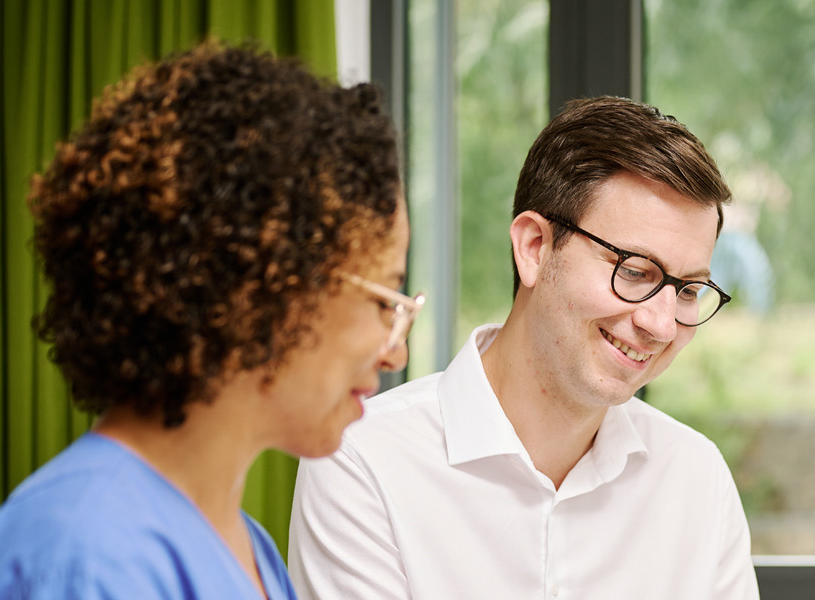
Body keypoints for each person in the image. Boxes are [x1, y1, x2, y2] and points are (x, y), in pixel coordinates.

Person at [0, 42, 417, 599]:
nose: (395, 353)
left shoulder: (248, 549)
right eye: (385, 301)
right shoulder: (83, 558)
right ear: (266, 285)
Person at [289, 96, 759, 599]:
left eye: (688, 291)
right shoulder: (363, 459)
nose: (661, 324)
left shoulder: (696, 478)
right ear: (534, 247)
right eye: (635, 271)